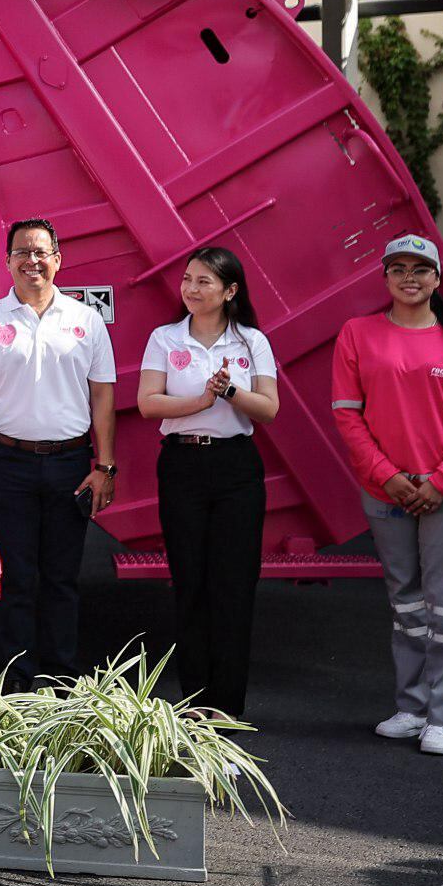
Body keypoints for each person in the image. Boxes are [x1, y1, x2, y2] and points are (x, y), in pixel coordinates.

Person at [333, 234, 443, 756]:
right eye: (399, 268)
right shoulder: (358, 334)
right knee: (406, 605)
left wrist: (439, 483)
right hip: (387, 491)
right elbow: (347, 416)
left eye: (420, 269)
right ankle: (411, 706)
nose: (410, 277)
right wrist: (390, 478)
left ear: (436, 279)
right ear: (384, 277)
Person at [0, 217, 117, 690]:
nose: (32, 260)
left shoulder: (86, 322)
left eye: (41, 251)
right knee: (17, 577)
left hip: (71, 464)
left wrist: (104, 465)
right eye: (22, 252)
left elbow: (103, 397)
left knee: (62, 579)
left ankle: (63, 682)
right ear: (7, 263)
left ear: (58, 259)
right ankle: (16, 682)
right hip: (9, 464)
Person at [134, 246, 279, 718]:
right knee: (190, 583)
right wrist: (199, 402)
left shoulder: (251, 341)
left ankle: (229, 706)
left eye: (205, 282)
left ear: (230, 291)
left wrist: (231, 392)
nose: (192, 290)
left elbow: (270, 408)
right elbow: (148, 403)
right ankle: (195, 704)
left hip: (237, 469)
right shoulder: (165, 338)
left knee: (234, 586)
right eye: (188, 280)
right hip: (182, 467)